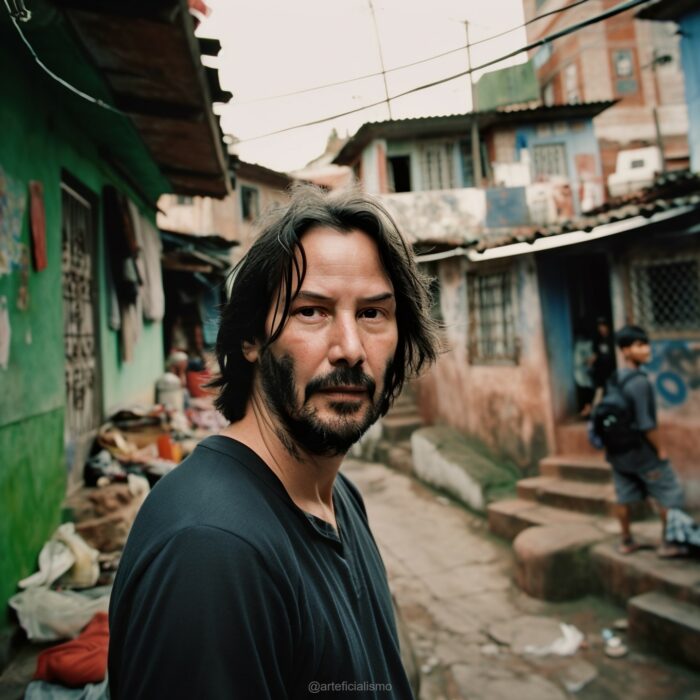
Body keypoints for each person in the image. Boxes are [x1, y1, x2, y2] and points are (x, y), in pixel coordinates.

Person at [108, 185, 440, 699]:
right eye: (312, 311)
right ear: (252, 338)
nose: (350, 349)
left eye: (373, 314)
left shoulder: (338, 498)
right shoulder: (212, 550)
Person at [607, 325, 685, 556]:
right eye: (640, 345)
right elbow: (646, 425)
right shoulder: (640, 383)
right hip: (642, 454)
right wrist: (660, 450)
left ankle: (626, 541)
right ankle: (669, 543)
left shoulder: (615, 378)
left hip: (618, 453)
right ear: (625, 351)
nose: (647, 349)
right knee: (668, 494)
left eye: (646, 344)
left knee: (624, 496)